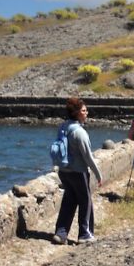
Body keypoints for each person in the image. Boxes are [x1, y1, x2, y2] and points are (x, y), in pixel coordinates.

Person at [53, 97, 104, 245]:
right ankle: (84, 234)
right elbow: (88, 157)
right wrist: (98, 174)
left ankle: (60, 233)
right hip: (78, 172)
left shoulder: (63, 127)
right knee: (85, 202)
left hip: (63, 171)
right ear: (76, 113)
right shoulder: (80, 133)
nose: (86, 112)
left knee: (68, 201)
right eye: (83, 110)